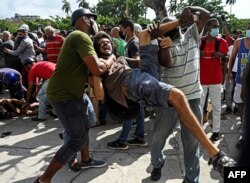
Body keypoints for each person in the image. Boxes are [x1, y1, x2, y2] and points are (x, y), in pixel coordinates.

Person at [92, 30, 236, 178]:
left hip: (150, 78)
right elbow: (99, 94)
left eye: (107, 41)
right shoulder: (100, 65)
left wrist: (162, 47)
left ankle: (193, 179)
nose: (105, 43)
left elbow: (141, 61)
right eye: (101, 43)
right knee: (171, 111)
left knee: (144, 35)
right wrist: (105, 64)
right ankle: (213, 155)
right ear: (96, 49)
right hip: (131, 83)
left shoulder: (121, 59)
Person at [34, 8, 112, 183]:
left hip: (74, 93)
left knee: (85, 126)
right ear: (85, 19)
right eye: (93, 20)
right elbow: (97, 69)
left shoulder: (78, 38)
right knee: (77, 138)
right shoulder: (80, 36)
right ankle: (44, 179)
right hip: (64, 95)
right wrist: (111, 59)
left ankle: (85, 160)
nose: (95, 24)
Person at [149, 6, 210, 182]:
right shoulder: (161, 44)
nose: (171, 30)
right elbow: (166, 62)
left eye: (173, 26)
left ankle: (191, 179)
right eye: (165, 28)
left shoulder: (191, 34)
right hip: (169, 100)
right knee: (158, 141)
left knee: (192, 143)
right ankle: (157, 163)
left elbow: (206, 15)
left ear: (178, 25)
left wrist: (189, 9)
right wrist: (162, 43)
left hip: (192, 99)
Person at [107, 18, 146, 150]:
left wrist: (122, 59)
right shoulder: (129, 43)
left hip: (131, 81)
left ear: (128, 29)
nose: (120, 31)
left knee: (128, 109)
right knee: (138, 109)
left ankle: (122, 140)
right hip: (133, 79)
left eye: (121, 29)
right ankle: (140, 137)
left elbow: (138, 61)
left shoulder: (133, 43)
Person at [200, 18, 229, 141]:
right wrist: (198, 54)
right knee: (199, 106)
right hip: (201, 79)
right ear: (208, 28)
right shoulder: (200, 42)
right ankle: (199, 129)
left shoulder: (222, 42)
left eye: (217, 26)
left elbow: (226, 59)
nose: (217, 29)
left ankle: (216, 131)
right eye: (214, 26)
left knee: (217, 107)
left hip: (216, 79)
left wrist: (221, 56)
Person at [228, 23, 250, 149]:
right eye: (248, 28)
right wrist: (229, 71)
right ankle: (243, 124)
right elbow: (232, 58)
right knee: (240, 102)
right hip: (241, 79)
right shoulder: (238, 42)